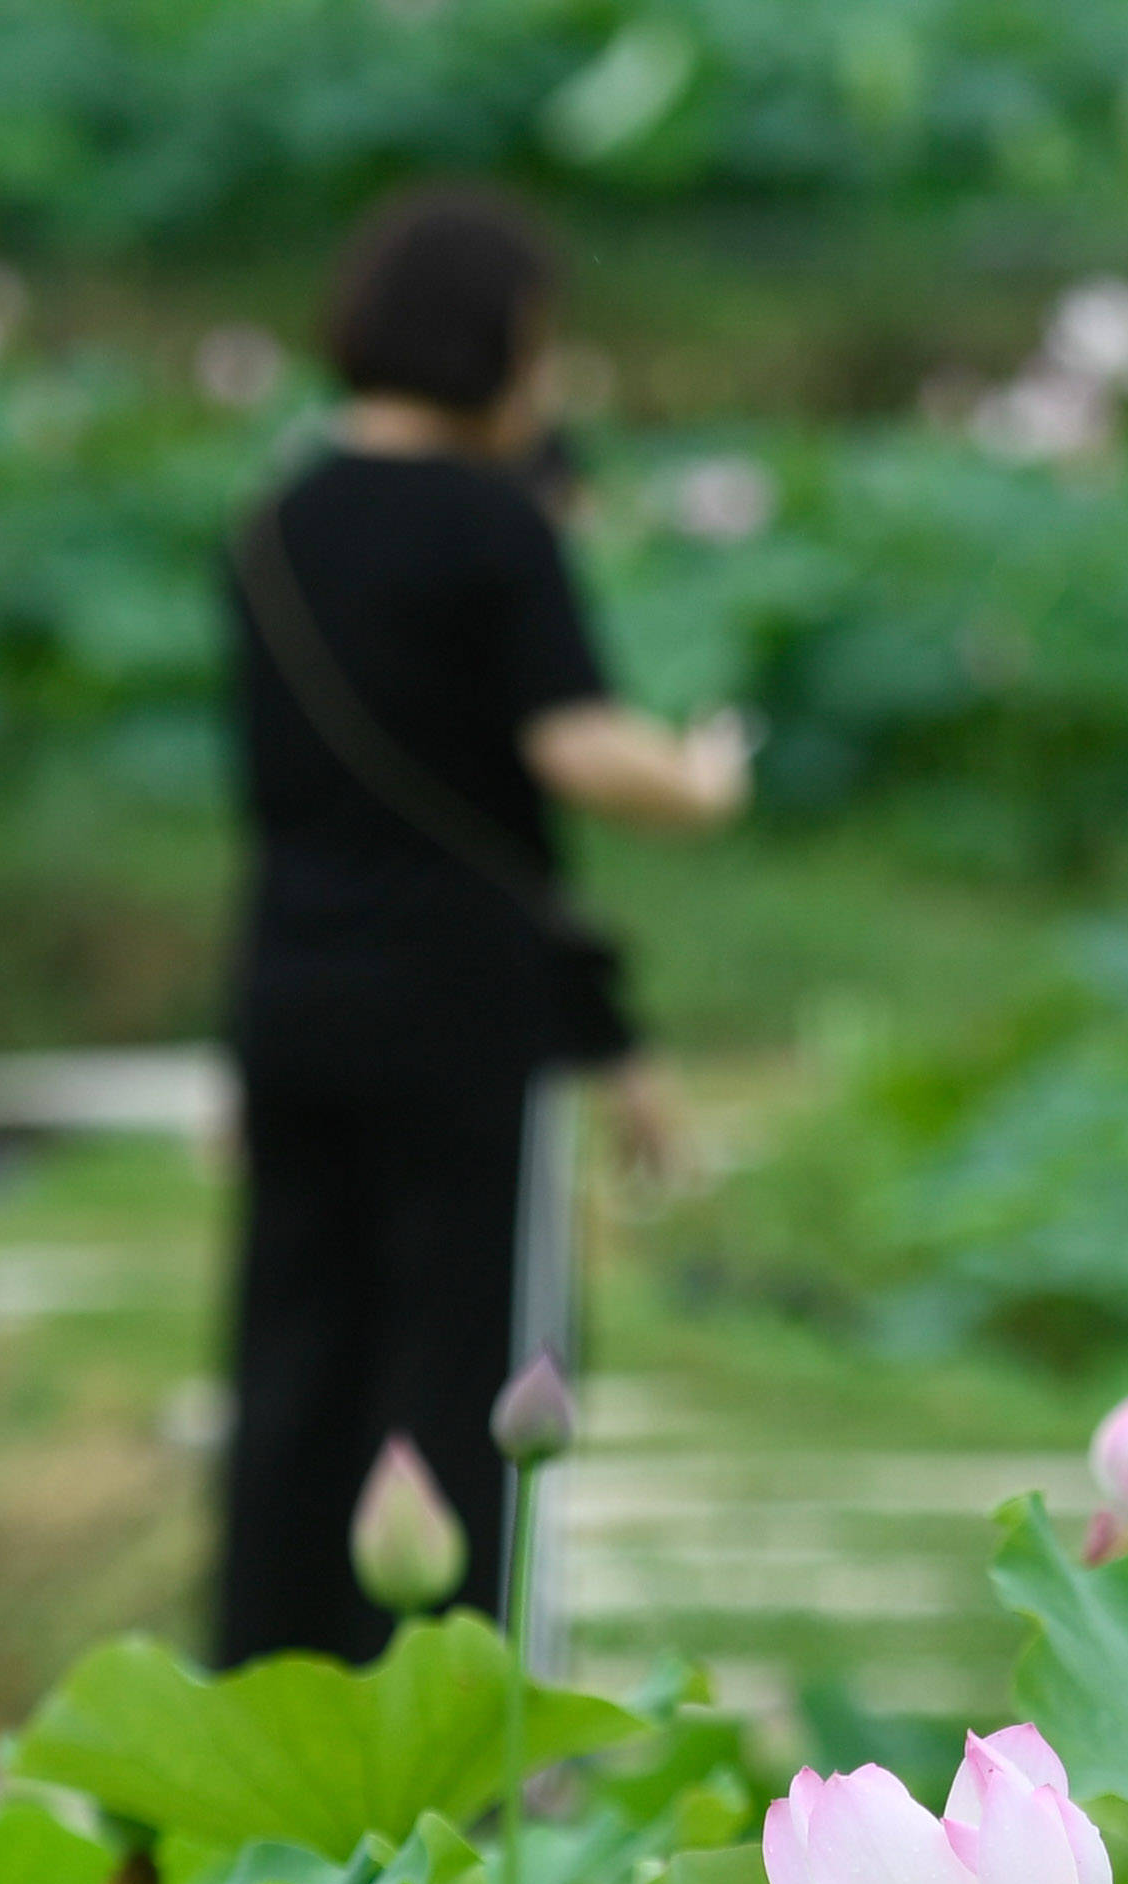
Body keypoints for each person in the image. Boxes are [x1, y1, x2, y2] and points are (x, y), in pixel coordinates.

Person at [212, 183, 745, 1664]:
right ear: (501, 336)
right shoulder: (490, 522)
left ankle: (261, 1709)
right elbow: (568, 755)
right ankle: (462, 1721)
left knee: (295, 1375)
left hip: (296, 999)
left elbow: (278, 807)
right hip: (452, 1012)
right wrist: (698, 784)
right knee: (471, 1379)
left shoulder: (273, 522)